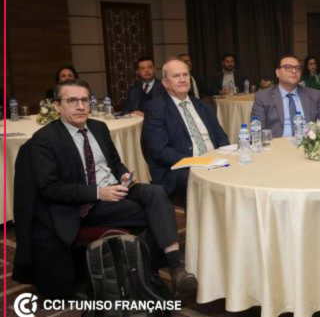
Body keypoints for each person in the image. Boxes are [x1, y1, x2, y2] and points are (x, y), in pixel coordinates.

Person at [23, 79, 197, 299]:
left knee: (157, 192)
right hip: (86, 203)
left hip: (116, 188)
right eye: (72, 101)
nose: (80, 106)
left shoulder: (98, 127)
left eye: (85, 100)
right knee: (156, 213)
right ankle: (151, 273)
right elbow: (50, 188)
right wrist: (98, 192)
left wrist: (123, 174)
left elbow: (114, 162)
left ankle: (171, 269)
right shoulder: (45, 139)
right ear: (57, 105)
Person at [143, 59, 229, 198]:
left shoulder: (203, 106)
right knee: (207, 182)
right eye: (176, 76)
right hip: (178, 170)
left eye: (185, 74)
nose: (182, 79)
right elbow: (160, 150)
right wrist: (197, 162)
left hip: (214, 162)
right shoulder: (156, 109)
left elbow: (221, 136)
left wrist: (222, 157)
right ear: (165, 83)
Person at [251, 55, 320, 138]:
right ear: (278, 72)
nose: (294, 71)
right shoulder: (263, 97)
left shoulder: (314, 95)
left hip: (308, 143)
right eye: (288, 67)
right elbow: (257, 132)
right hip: (277, 144)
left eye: (297, 68)